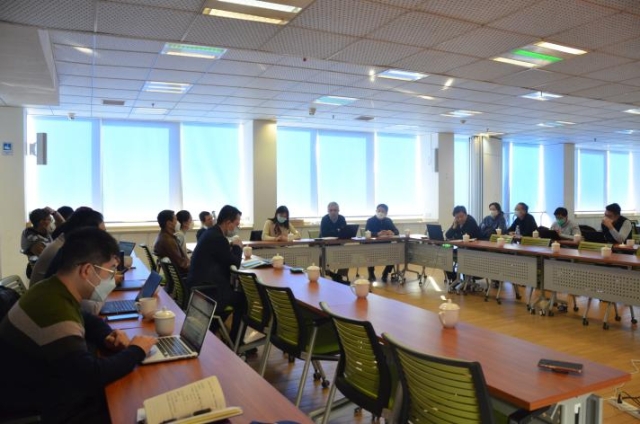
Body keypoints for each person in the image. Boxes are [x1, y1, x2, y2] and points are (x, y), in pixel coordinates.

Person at [0, 227, 156, 423]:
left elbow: (85, 318)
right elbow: (91, 376)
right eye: (110, 271)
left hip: (39, 385)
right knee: (129, 406)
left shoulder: (50, 289)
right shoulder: (54, 309)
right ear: (87, 270)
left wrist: (107, 335)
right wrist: (137, 350)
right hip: (37, 406)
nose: (112, 278)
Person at [186, 205, 246, 342]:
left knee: (236, 295)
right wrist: (237, 247)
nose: (237, 227)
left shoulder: (210, 233)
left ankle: (215, 331)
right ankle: (235, 341)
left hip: (200, 286)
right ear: (228, 222)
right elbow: (234, 264)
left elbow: (222, 257)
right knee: (243, 300)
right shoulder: (218, 238)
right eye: (236, 224)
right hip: (208, 291)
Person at [30, 207, 106, 286]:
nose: (104, 237)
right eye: (101, 233)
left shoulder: (66, 240)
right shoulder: (65, 249)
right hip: (47, 292)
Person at [365, 204, 399, 282]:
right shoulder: (370, 220)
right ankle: (371, 273)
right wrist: (377, 234)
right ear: (376, 211)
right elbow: (367, 232)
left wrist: (392, 232)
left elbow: (397, 231)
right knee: (369, 253)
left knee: (395, 254)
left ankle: (386, 273)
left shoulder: (388, 221)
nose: (380, 212)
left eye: (383, 211)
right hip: (373, 245)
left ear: (386, 213)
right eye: (379, 210)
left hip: (387, 245)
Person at [153, 209, 190, 277]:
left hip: (177, 276)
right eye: (176, 220)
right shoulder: (168, 241)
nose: (178, 222)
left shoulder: (163, 236)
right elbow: (182, 264)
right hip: (184, 277)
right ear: (169, 224)